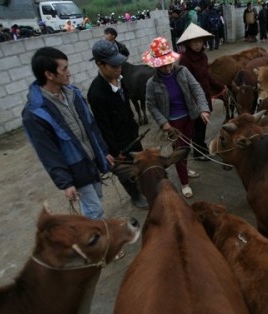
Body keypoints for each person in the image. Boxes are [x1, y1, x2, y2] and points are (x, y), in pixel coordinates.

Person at [22, 47, 114, 220]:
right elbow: (47, 152)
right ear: (49, 74)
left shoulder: (73, 94)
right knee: (95, 211)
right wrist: (66, 182)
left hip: (92, 161)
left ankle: (91, 237)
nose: (69, 73)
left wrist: (103, 151)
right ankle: (102, 245)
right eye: (64, 69)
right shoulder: (35, 114)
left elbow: (91, 125)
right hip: (75, 169)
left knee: (96, 200)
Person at [143, 37, 211, 199]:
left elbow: (197, 90)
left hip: (189, 117)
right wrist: (163, 123)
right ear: (156, 64)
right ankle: (184, 183)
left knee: (186, 147)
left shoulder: (183, 72)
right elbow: (151, 105)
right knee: (179, 151)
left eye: (168, 63)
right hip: (172, 123)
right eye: (162, 64)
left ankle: (185, 170)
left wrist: (203, 109)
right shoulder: (151, 84)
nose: (167, 68)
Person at [87, 40, 148, 209]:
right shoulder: (96, 93)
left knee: (140, 165)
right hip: (119, 144)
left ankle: (143, 189)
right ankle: (135, 196)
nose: (119, 68)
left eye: (119, 64)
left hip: (132, 134)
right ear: (99, 64)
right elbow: (103, 126)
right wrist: (115, 151)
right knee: (126, 172)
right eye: (113, 65)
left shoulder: (120, 80)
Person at [177, 23, 226, 161]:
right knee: (197, 127)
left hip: (205, 95)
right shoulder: (185, 60)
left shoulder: (203, 56)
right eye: (194, 42)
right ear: (188, 43)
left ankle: (201, 148)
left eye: (200, 41)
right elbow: (185, 84)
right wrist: (194, 102)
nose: (198, 44)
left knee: (202, 126)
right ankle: (199, 153)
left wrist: (220, 85)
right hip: (194, 99)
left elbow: (207, 76)